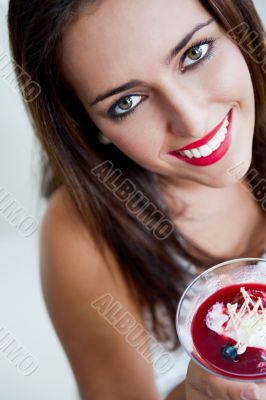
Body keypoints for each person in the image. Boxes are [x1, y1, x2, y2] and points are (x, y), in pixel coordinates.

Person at [8, 0, 266, 398]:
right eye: (126, 103)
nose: (192, 122)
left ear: (236, 23)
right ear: (88, 126)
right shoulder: (84, 234)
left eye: (195, 53)